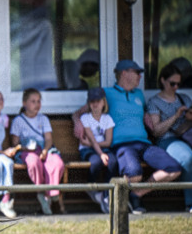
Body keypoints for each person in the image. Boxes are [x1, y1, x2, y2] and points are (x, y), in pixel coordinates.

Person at [74, 60, 181, 214]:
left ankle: (136, 194)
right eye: (137, 73)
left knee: (173, 169)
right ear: (124, 73)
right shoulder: (107, 93)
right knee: (134, 174)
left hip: (144, 144)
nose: (140, 76)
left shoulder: (138, 94)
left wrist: (146, 117)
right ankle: (117, 199)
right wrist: (78, 122)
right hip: (122, 145)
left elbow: (140, 112)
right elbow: (79, 113)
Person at [145, 64, 192, 213]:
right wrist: (176, 116)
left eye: (179, 84)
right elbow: (156, 131)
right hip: (168, 140)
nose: (176, 87)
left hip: (189, 136)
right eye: (172, 83)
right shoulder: (154, 102)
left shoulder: (184, 98)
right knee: (188, 157)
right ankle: (191, 202)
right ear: (162, 80)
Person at [10, 88, 65, 215]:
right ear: (24, 103)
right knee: (33, 162)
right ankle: (41, 190)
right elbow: (15, 143)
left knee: (57, 162)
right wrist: (27, 148)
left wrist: (45, 150)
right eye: (33, 101)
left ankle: (52, 192)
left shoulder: (43, 119)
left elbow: (48, 138)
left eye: (39, 101)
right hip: (27, 151)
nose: (37, 104)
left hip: (44, 148)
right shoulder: (18, 121)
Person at [78, 86, 117, 213]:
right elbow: (92, 139)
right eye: (92, 101)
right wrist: (100, 153)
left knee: (113, 162)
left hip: (98, 148)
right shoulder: (85, 118)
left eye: (98, 101)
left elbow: (108, 141)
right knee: (96, 162)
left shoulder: (108, 119)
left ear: (103, 102)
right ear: (88, 103)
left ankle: (106, 195)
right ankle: (91, 186)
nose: (95, 104)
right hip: (88, 150)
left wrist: (92, 144)